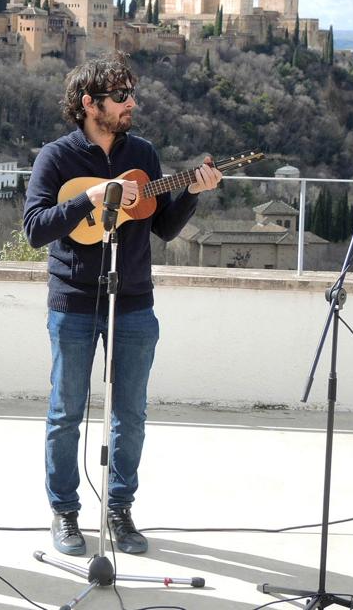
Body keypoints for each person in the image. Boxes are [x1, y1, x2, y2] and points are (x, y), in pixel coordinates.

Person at [22, 55, 222, 556]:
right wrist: (91, 197)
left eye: (131, 94)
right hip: (72, 300)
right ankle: (65, 512)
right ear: (90, 104)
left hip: (133, 296)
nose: (131, 103)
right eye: (121, 96)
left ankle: (119, 507)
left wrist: (192, 194)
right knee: (66, 411)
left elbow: (163, 226)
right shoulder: (56, 157)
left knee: (130, 413)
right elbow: (34, 228)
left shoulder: (145, 153)